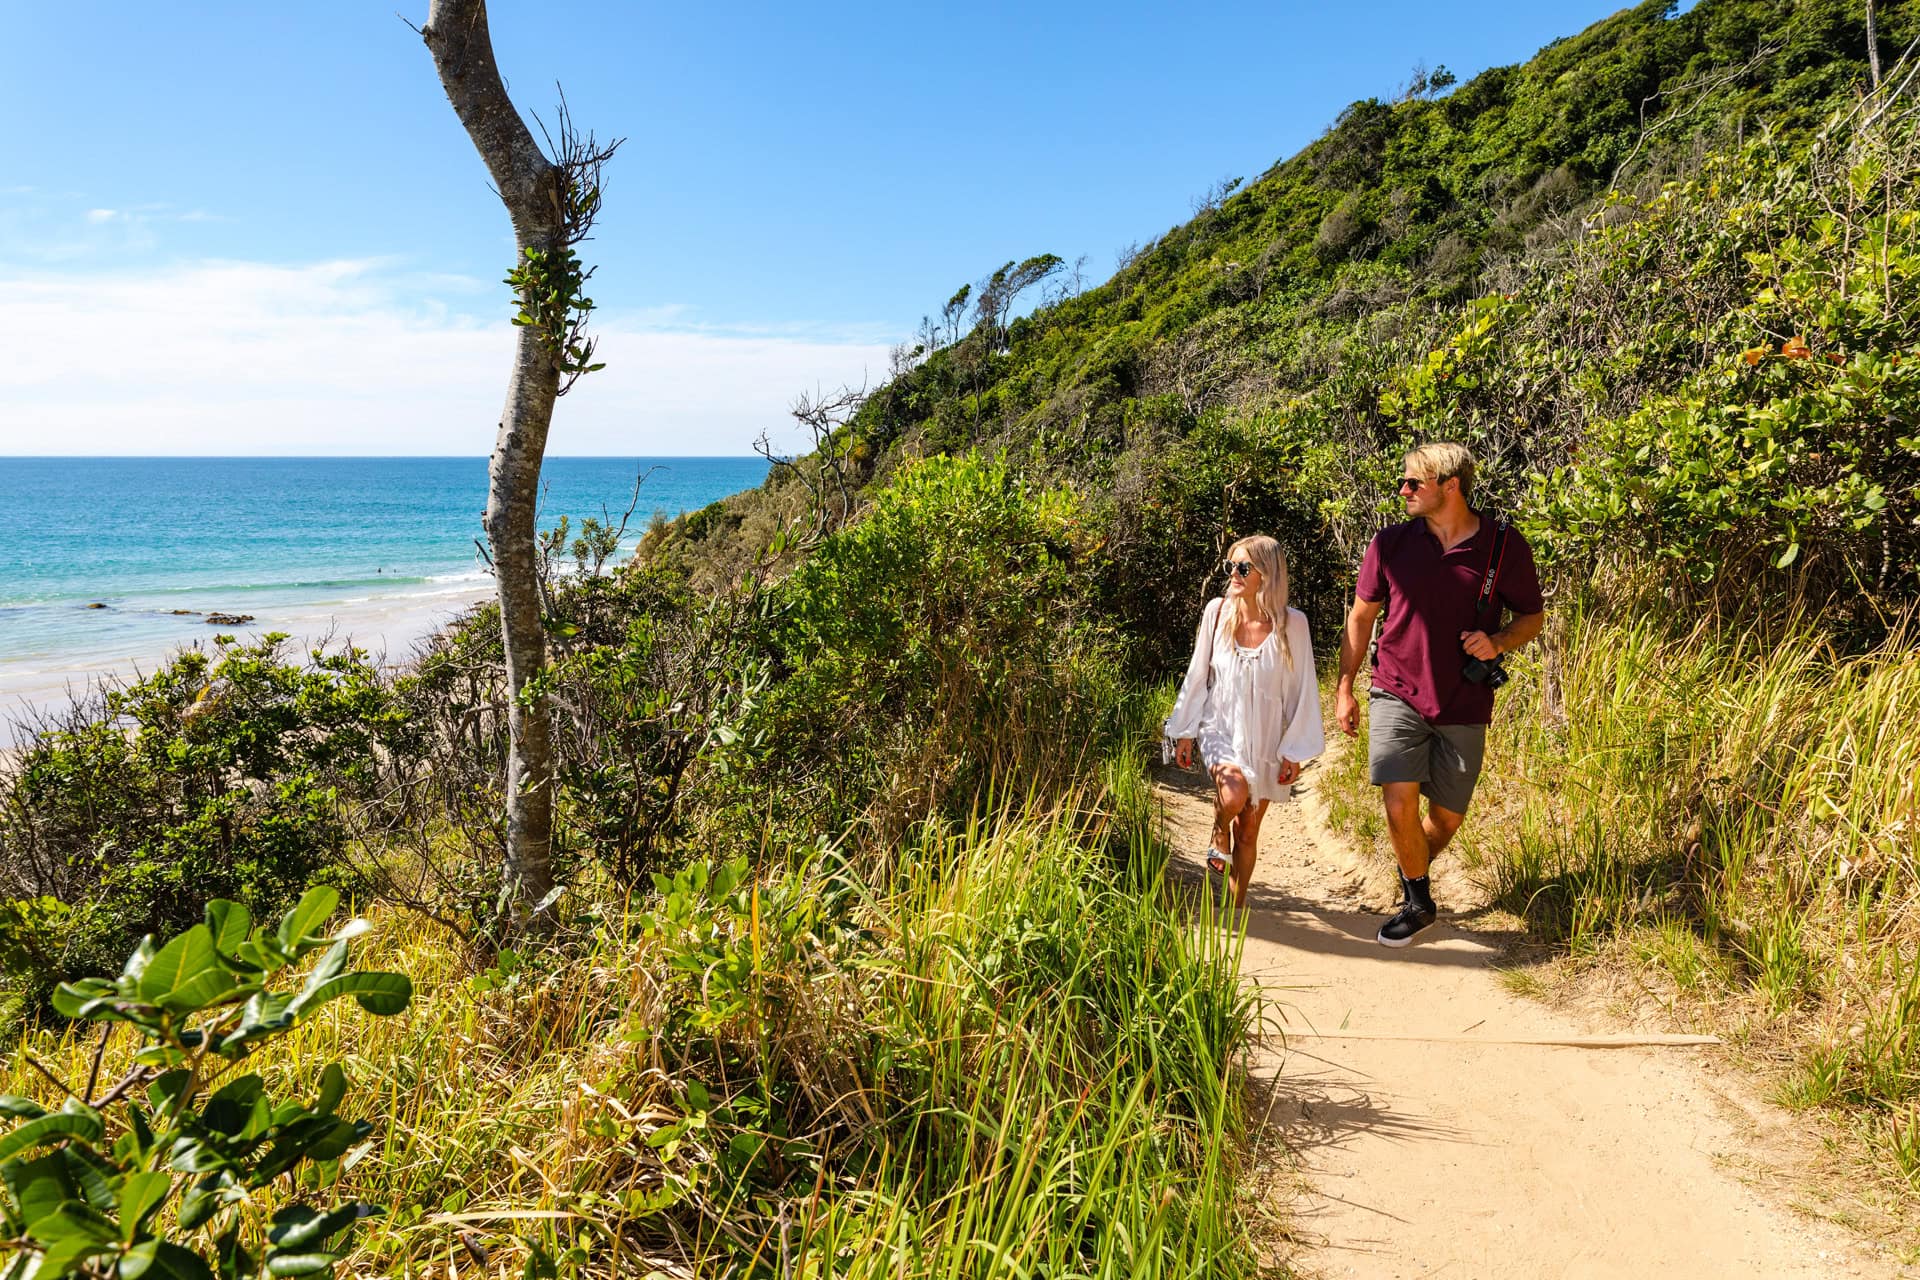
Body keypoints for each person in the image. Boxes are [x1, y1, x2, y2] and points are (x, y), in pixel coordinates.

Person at [1334, 442, 1545, 947]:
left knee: (1446, 819)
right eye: (1404, 481)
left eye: (1414, 483)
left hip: (1463, 701)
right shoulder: (1389, 544)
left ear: (1451, 486)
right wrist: (1346, 686)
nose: (1402, 491)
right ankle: (1419, 901)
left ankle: (1410, 869)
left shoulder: (1503, 547)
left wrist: (1496, 641)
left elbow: (1532, 619)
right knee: (1398, 797)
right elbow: (1361, 618)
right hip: (1395, 689)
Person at [1164, 534, 1325, 907]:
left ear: (1266, 575)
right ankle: (1219, 831)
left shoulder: (1292, 625)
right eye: (1231, 566)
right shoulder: (1217, 613)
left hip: (1267, 737)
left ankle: (1232, 911)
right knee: (1233, 793)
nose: (1233, 574)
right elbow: (1197, 674)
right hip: (1220, 726)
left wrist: (1294, 751)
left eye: (1243, 567)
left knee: (1250, 831)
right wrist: (1184, 732)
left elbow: (1304, 690)